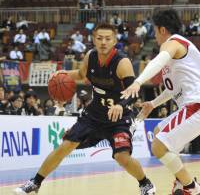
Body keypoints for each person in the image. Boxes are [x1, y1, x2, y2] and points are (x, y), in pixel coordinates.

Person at [14, 23, 156, 195]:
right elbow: (81, 75)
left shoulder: (122, 62)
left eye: (108, 38)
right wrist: (61, 74)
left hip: (118, 118)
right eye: (99, 38)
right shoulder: (91, 56)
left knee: (121, 156)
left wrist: (120, 104)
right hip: (94, 115)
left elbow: (134, 91)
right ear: (93, 39)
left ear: (114, 41)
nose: (103, 42)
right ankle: (35, 182)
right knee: (65, 146)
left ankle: (145, 183)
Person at [121, 8, 200, 195]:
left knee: (158, 145)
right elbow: (172, 90)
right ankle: (184, 183)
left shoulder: (173, 43)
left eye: (155, 31)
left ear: (162, 30)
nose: (155, 36)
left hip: (196, 104)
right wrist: (153, 104)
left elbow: (159, 60)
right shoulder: (178, 54)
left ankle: (191, 188)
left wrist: (138, 82)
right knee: (158, 132)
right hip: (192, 105)